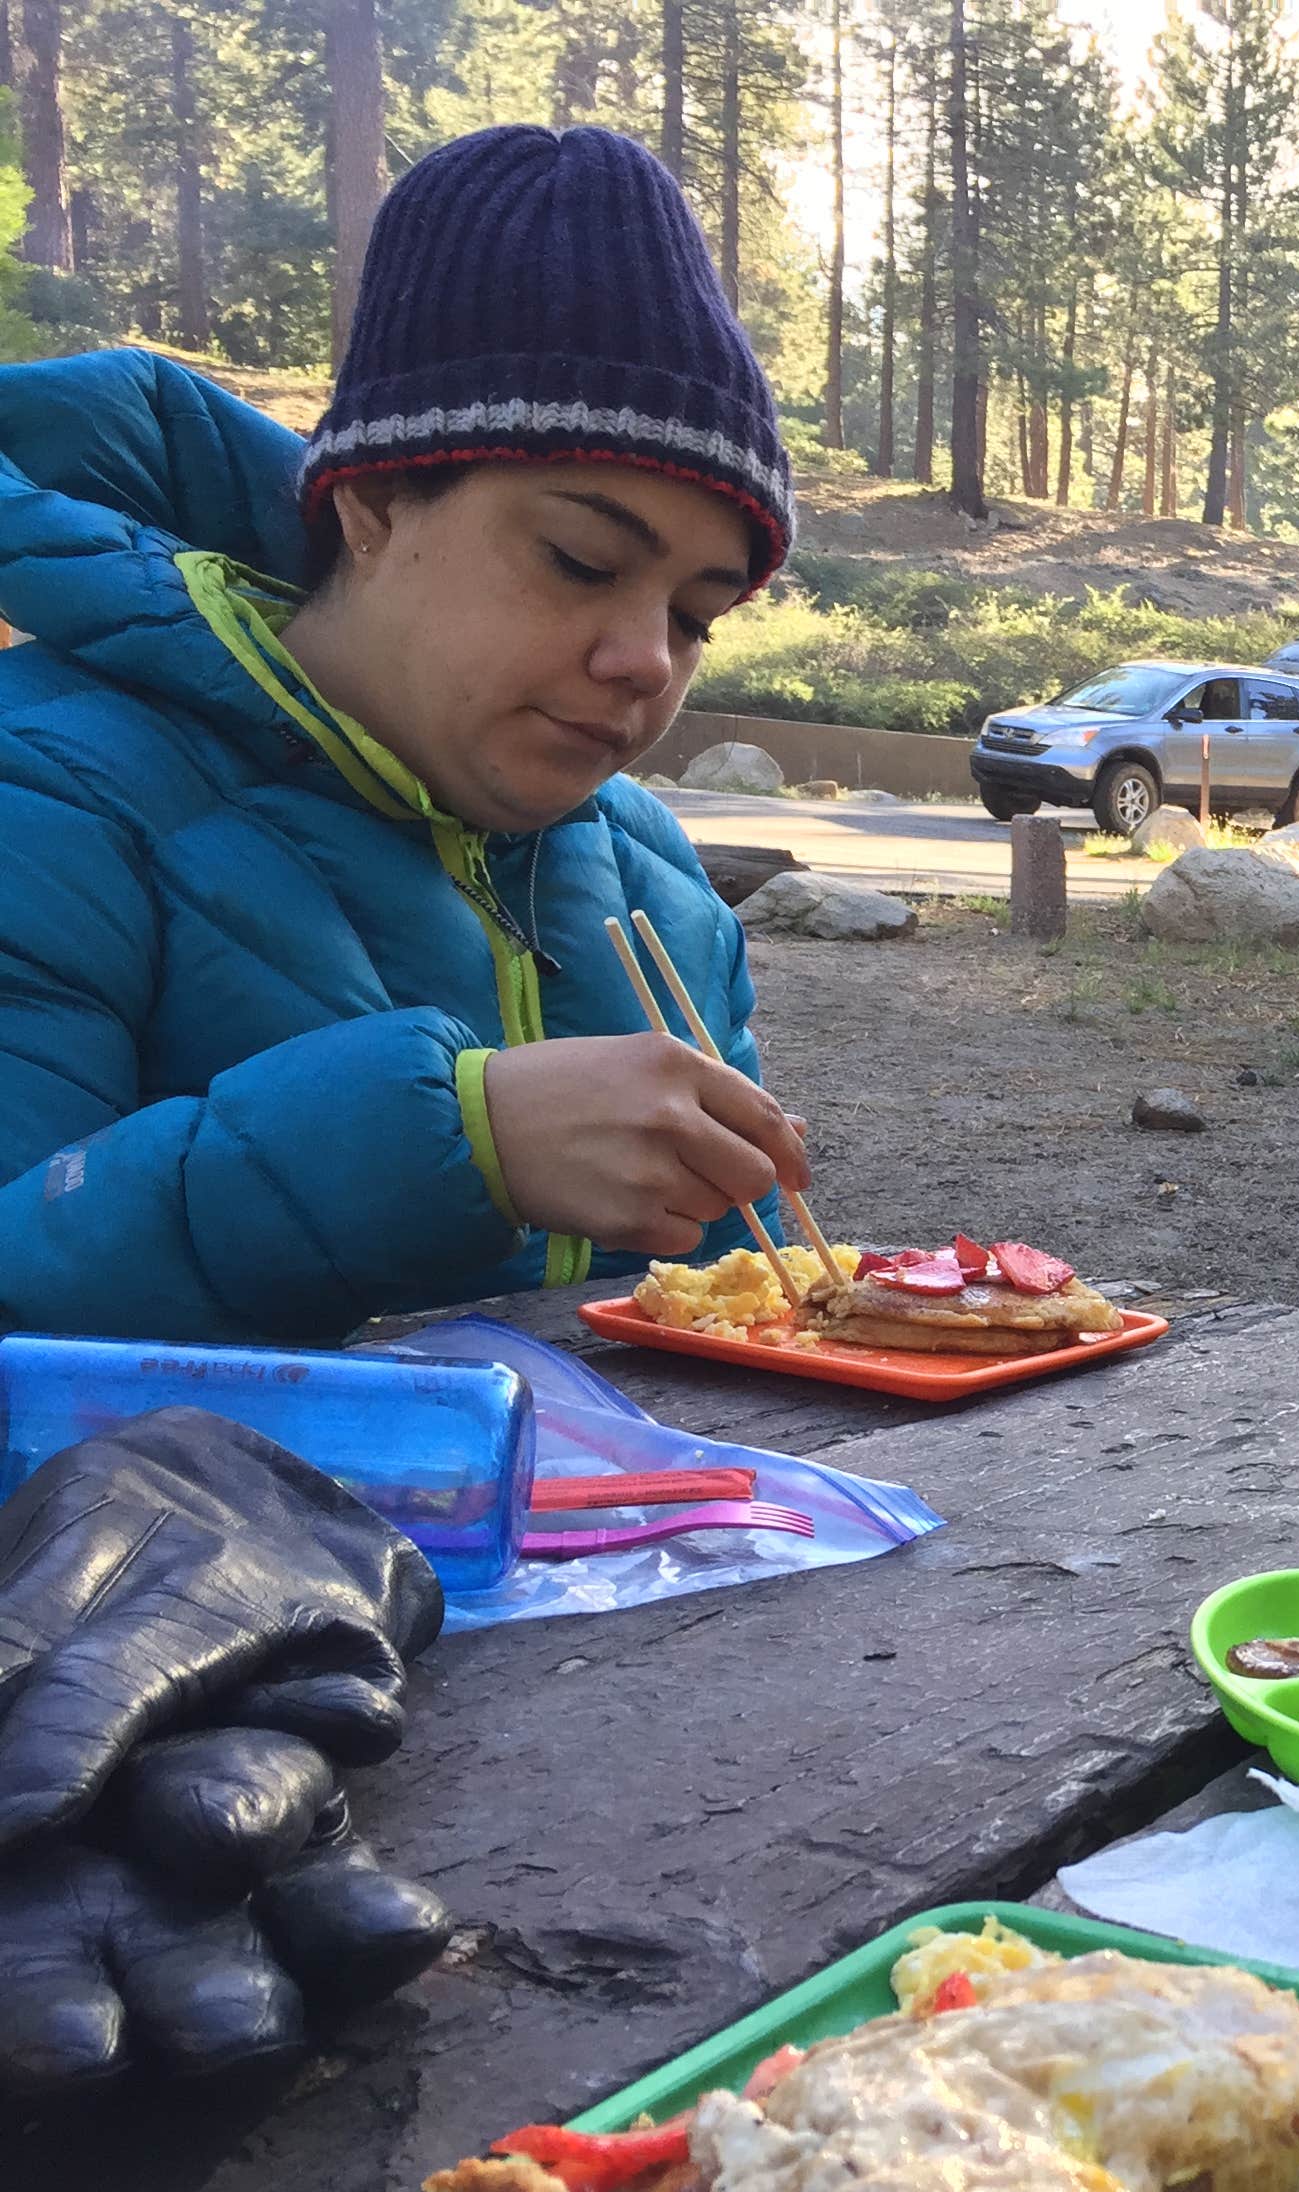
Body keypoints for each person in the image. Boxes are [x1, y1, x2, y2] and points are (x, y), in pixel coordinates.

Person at [0, 123, 810, 1344]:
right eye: (581, 560)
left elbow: (716, 1331)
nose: (647, 658)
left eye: (699, 615)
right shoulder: (48, 794)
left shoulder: (653, 885)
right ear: (374, 502)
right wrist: (442, 1140)